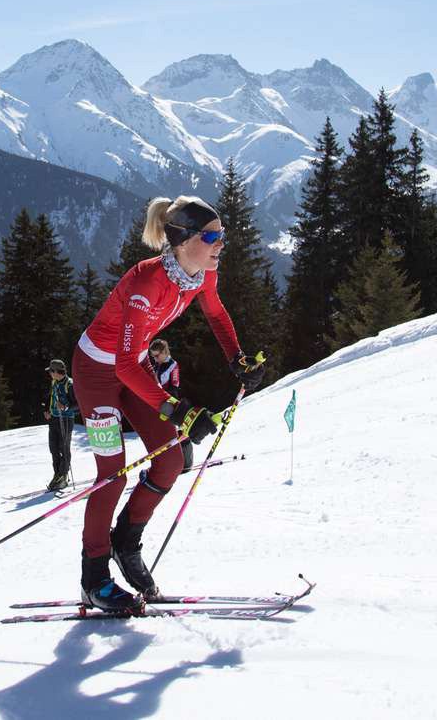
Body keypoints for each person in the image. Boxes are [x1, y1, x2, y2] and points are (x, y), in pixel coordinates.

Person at [70, 195, 266, 613]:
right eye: (211, 236)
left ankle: (126, 542)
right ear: (181, 241)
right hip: (97, 374)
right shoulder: (146, 283)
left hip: (133, 369)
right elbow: (121, 365)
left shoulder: (201, 274)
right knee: (112, 474)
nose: (220, 244)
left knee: (172, 459)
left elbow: (215, 314)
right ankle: (94, 576)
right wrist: (177, 410)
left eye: (222, 235)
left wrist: (237, 359)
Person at [147, 339, 193, 471]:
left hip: (170, 404)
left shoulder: (173, 365)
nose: (155, 359)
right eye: (152, 356)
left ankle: (186, 464)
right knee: (160, 435)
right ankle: (165, 464)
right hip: (157, 404)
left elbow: (175, 386)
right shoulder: (156, 365)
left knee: (178, 432)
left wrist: (167, 401)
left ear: (164, 352)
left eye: (156, 356)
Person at [43, 359, 79, 490]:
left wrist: (64, 407)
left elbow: (78, 405)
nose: (50, 374)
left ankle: (63, 475)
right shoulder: (54, 382)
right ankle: (57, 474)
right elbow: (50, 397)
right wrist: (47, 410)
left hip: (66, 420)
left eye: (51, 371)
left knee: (64, 448)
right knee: (53, 448)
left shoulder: (69, 385)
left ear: (57, 372)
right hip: (54, 419)